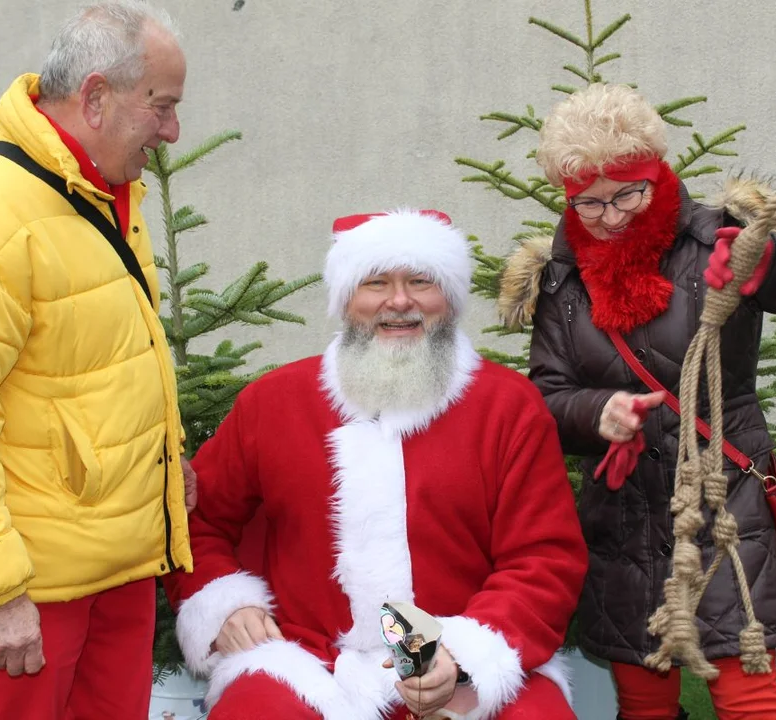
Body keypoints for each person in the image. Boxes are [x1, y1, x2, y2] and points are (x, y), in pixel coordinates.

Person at [498, 82, 776, 720]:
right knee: (644, 699)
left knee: (746, 690)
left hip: (724, 498)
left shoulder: (719, 237)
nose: (611, 216)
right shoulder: (561, 279)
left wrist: (774, 262)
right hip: (621, 514)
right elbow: (546, 398)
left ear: (658, 173)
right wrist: (597, 413)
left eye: (627, 192)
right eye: (588, 203)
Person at [0, 3, 195, 718]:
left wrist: (163, 461)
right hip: (36, 587)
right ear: (94, 97)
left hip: (115, 569)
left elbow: (100, 363)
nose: (173, 131)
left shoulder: (101, 191)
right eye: (163, 107)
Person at [163, 209, 590, 719]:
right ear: (346, 300)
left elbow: (543, 557)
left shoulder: (508, 406)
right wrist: (227, 605)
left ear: (448, 300)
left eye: (420, 281)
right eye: (376, 283)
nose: (400, 301)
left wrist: (462, 654)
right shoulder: (273, 402)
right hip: (308, 663)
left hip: (464, 656)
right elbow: (197, 520)